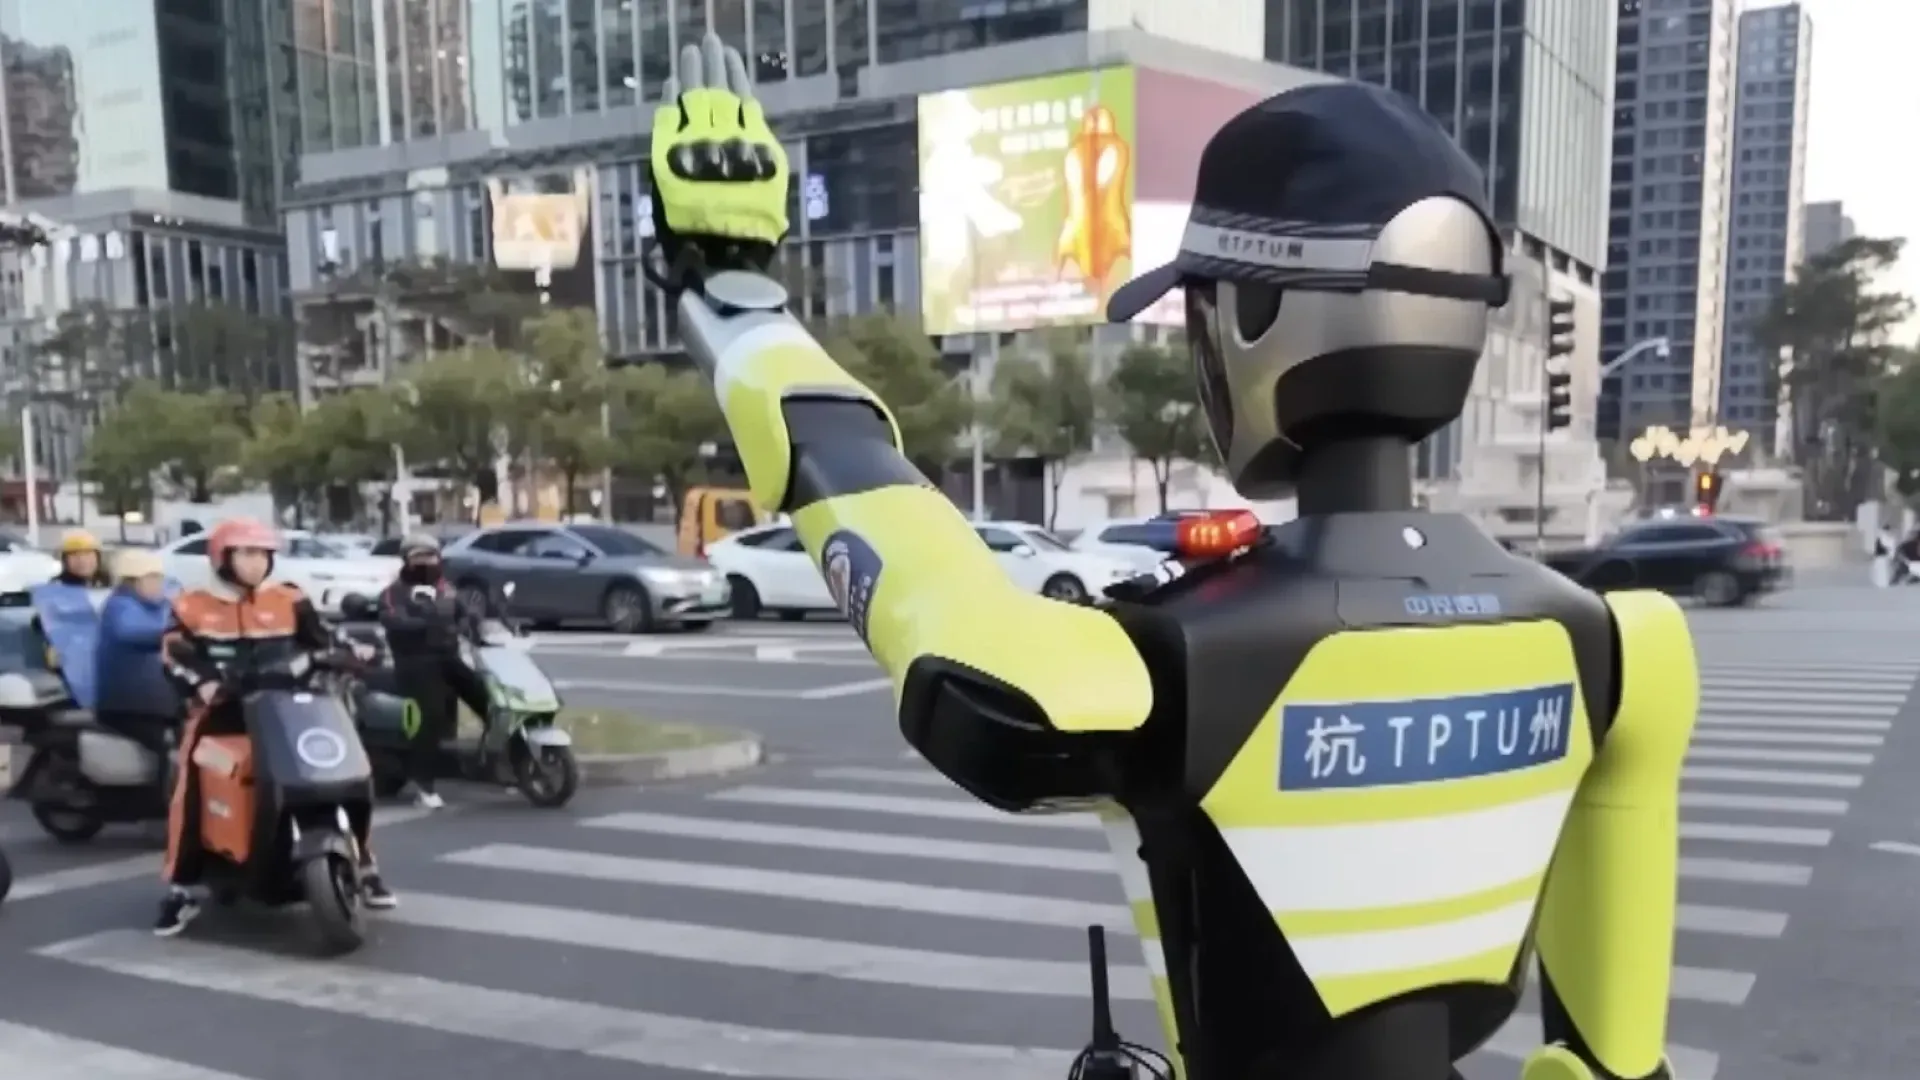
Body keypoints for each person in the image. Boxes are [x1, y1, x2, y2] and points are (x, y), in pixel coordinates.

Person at [650, 35, 1698, 1080]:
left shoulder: (1192, 655)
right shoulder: (1623, 644)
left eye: (1201, 310)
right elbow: (1618, 1062)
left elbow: (951, 633)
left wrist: (738, 304)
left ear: (1256, 316)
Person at [154, 517, 393, 936]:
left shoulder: (289, 599)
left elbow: (325, 639)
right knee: (190, 788)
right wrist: (204, 682)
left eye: (263, 555)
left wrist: (360, 652)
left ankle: (365, 866)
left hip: (290, 711)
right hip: (224, 716)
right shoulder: (193, 605)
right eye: (246, 554)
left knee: (344, 775)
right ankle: (180, 888)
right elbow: (173, 654)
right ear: (223, 558)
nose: (257, 563)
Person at [375, 534, 489, 810]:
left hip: (448, 657)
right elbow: (393, 619)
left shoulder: (445, 589)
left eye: (430, 555)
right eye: (418, 556)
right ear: (406, 560)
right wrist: (426, 621)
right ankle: (423, 785)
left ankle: (506, 763)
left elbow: (464, 613)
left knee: (488, 698)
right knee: (432, 715)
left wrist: (473, 619)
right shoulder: (394, 593)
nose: (426, 562)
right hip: (415, 662)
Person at [93, 549, 180, 772]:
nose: (157, 584)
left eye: (159, 578)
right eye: (150, 578)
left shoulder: (164, 606)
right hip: (129, 707)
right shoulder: (119, 606)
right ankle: (164, 793)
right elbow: (130, 631)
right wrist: (172, 634)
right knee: (169, 749)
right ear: (130, 582)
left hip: (161, 704)